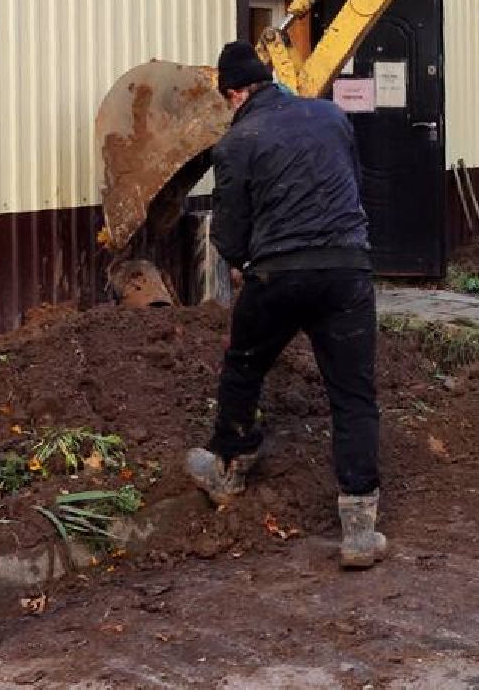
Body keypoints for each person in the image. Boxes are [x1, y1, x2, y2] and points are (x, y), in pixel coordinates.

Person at [184, 42, 387, 568]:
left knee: (243, 366)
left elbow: (230, 233)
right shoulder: (331, 117)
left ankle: (230, 467)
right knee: (353, 394)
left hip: (279, 274)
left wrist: (243, 259)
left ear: (234, 94)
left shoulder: (236, 143)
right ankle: (359, 526)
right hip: (347, 270)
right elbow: (353, 184)